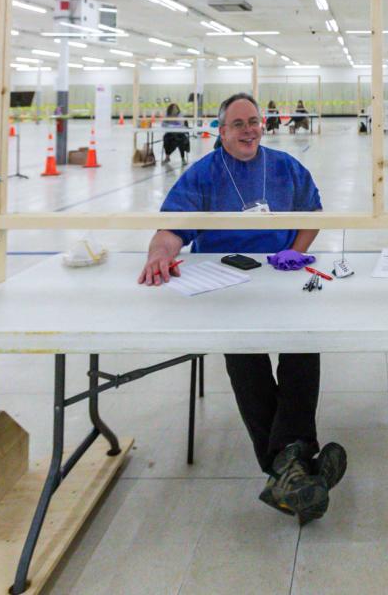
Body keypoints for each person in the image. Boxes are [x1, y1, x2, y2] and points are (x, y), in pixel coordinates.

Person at [137, 93, 345, 525]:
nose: (250, 130)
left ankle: (286, 468)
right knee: (245, 354)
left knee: (304, 347)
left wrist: (296, 251)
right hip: (226, 282)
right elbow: (172, 228)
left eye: (255, 121)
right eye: (239, 124)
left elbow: (313, 213)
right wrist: (159, 252)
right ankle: (297, 462)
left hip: (282, 276)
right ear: (221, 131)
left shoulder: (285, 167)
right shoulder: (204, 175)